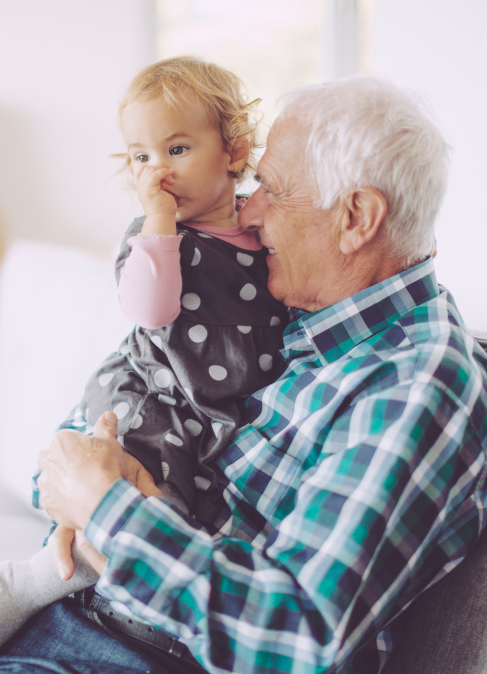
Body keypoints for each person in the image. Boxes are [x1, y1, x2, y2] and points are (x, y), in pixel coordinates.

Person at [1, 75, 487, 674]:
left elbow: (296, 636)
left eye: (272, 189)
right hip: (82, 611)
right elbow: (120, 397)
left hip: (141, 654)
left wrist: (106, 507)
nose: (249, 211)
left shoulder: (418, 385)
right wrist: (84, 479)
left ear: (357, 217)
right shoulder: (292, 307)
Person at [0, 56, 288, 647]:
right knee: (134, 483)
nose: (157, 171)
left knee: (189, 514)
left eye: (177, 150)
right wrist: (157, 221)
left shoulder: (264, 236)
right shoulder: (152, 239)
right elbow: (152, 310)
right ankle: (33, 581)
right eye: (141, 156)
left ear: (233, 153)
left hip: (214, 414)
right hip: (153, 397)